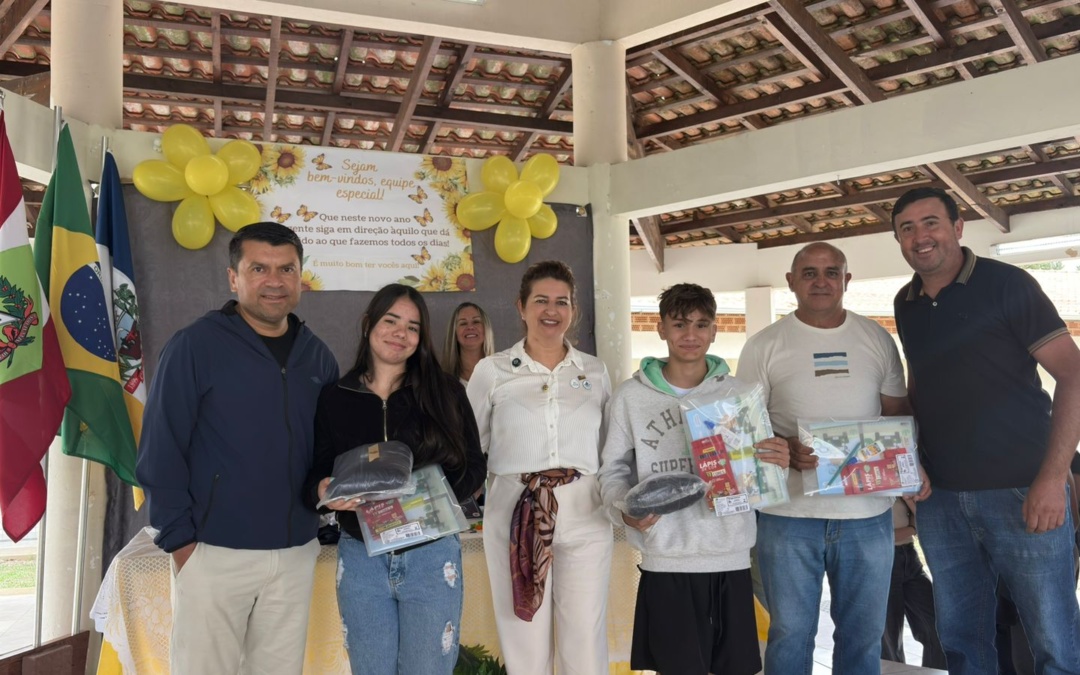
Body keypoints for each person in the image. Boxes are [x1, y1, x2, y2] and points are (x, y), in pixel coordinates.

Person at [891, 186, 1080, 675]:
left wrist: (1051, 479)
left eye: (931, 222)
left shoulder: (1008, 284)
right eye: (907, 228)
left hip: (1022, 492)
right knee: (961, 641)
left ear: (957, 227)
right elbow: (918, 385)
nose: (920, 236)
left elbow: (1073, 374)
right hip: (941, 501)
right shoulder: (906, 302)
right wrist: (911, 461)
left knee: (1054, 640)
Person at [136, 222, 340, 675]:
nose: (275, 281)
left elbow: (326, 450)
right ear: (234, 278)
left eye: (286, 269)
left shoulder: (318, 356)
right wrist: (182, 544)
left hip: (295, 553)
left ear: (301, 277)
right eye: (259, 268)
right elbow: (160, 448)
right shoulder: (195, 346)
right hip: (213, 552)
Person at [736, 241, 931, 674]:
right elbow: (744, 427)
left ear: (847, 280)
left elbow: (898, 414)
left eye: (831, 272)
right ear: (791, 281)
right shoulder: (764, 345)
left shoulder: (876, 339)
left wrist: (906, 465)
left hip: (867, 516)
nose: (820, 281)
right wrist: (785, 447)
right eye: (809, 273)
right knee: (790, 633)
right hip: (788, 516)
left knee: (863, 636)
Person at [598, 282, 789, 675]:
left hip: (731, 553)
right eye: (680, 324)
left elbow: (760, 471)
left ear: (715, 330)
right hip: (666, 558)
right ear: (661, 328)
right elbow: (612, 470)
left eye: (702, 324)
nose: (691, 334)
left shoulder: (741, 395)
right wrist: (625, 512)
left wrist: (778, 462)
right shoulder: (630, 397)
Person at [303, 284, 486, 675]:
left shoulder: (445, 392)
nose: (400, 334)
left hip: (430, 555)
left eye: (412, 327)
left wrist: (426, 501)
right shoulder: (335, 397)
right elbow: (317, 471)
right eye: (391, 321)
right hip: (361, 558)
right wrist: (323, 490)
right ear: (368, 324)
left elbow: (474, 465)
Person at [467, 260, 613, 675]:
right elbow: (469, 446)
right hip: (515, 510)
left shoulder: (595, 371)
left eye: (561, 302)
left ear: (574, 310)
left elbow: (610, 447)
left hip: (586, 510)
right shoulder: (492, 371)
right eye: (541, 300)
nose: (551, 310)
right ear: (521, 306)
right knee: (523, 637)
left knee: (584, 637)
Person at [882, 497, 947, 669]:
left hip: (910, 557)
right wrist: (911, 528)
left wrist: (908, 500)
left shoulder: (903, 484)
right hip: (881, 559)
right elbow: (878, 536)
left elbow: (922, 517)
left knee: (939, 630)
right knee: (889, 643)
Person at [443, 301, 494, 383]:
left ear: (486, 329)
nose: (470, 327)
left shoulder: (500, 375)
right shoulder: (441, 379)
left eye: (476, 322)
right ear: (454, 333)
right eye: (463, 323)